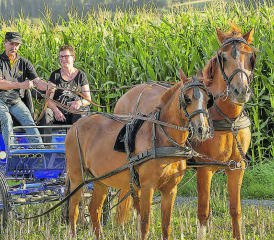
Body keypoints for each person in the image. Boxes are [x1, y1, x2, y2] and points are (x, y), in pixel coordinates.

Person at [0, 32, 54, 149]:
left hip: (15, 100)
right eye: (11, 43)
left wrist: (48, 87)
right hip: (0, 100)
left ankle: (39, 149)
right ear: (4, 43)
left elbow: (37, 82)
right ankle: (13, 150)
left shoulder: (24, 63)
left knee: (29, 120)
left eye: (16, 44)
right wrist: (21, 85)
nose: (13, 47)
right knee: (6, 119)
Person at [39, 45, 91, 143]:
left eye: (66, 56)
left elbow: (88, 99)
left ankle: (79, 147)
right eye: (61, 57)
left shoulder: (81, 75)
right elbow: (48, 99)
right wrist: (56, 110)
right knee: (46, 114)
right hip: (59, 109)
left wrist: (79, 103)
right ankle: (46, 148)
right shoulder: (55, 75)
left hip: (74, 110)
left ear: (73, 58)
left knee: (82, 116)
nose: (63, 59)